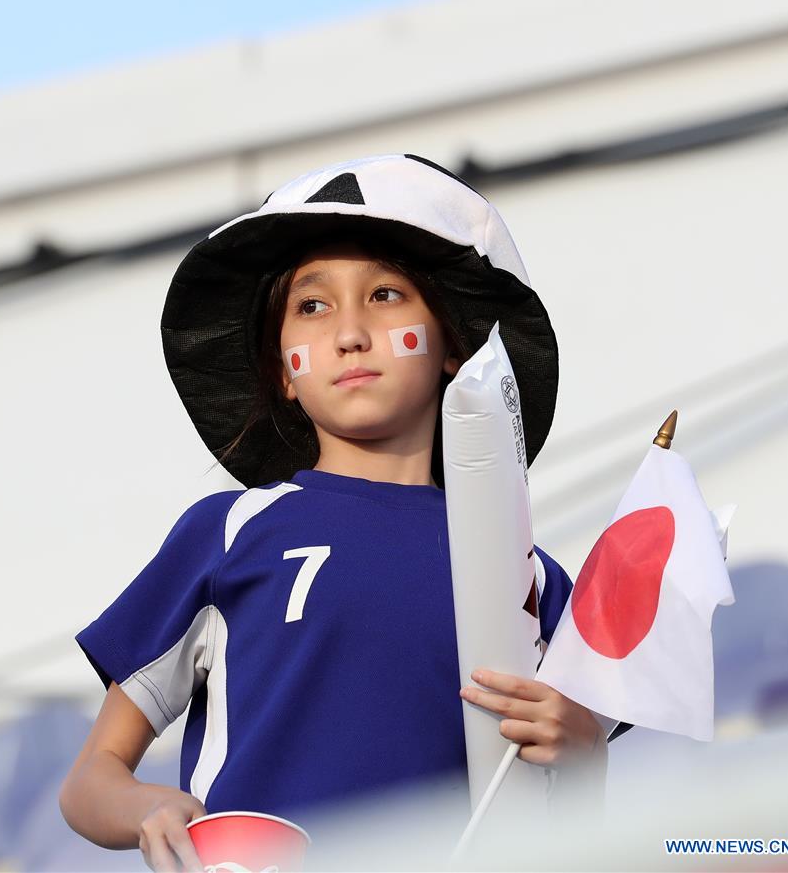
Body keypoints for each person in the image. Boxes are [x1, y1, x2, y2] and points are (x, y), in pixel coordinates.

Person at [59, 155, 613, 873]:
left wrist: (585, 755)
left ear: (453, 345)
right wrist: (146, 808)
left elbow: (572, 827)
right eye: (312, 307)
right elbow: (90, 780)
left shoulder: (526, 573)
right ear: (283, 371)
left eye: (385, 294)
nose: (349, 333)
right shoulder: (227, 533)